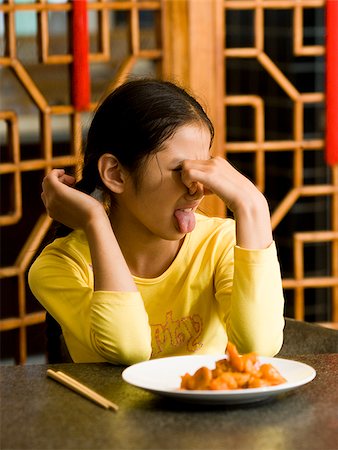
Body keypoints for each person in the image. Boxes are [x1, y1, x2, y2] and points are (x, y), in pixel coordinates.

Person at [28, 78, 285, 365]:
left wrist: (253, 206)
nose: (196, 187)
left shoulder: (220, 244)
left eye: (202, 169)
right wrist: (95, 220)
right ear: (115, 173)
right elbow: (129, 350)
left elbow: (258, 347)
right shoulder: (60, 266)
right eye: (179, 170)